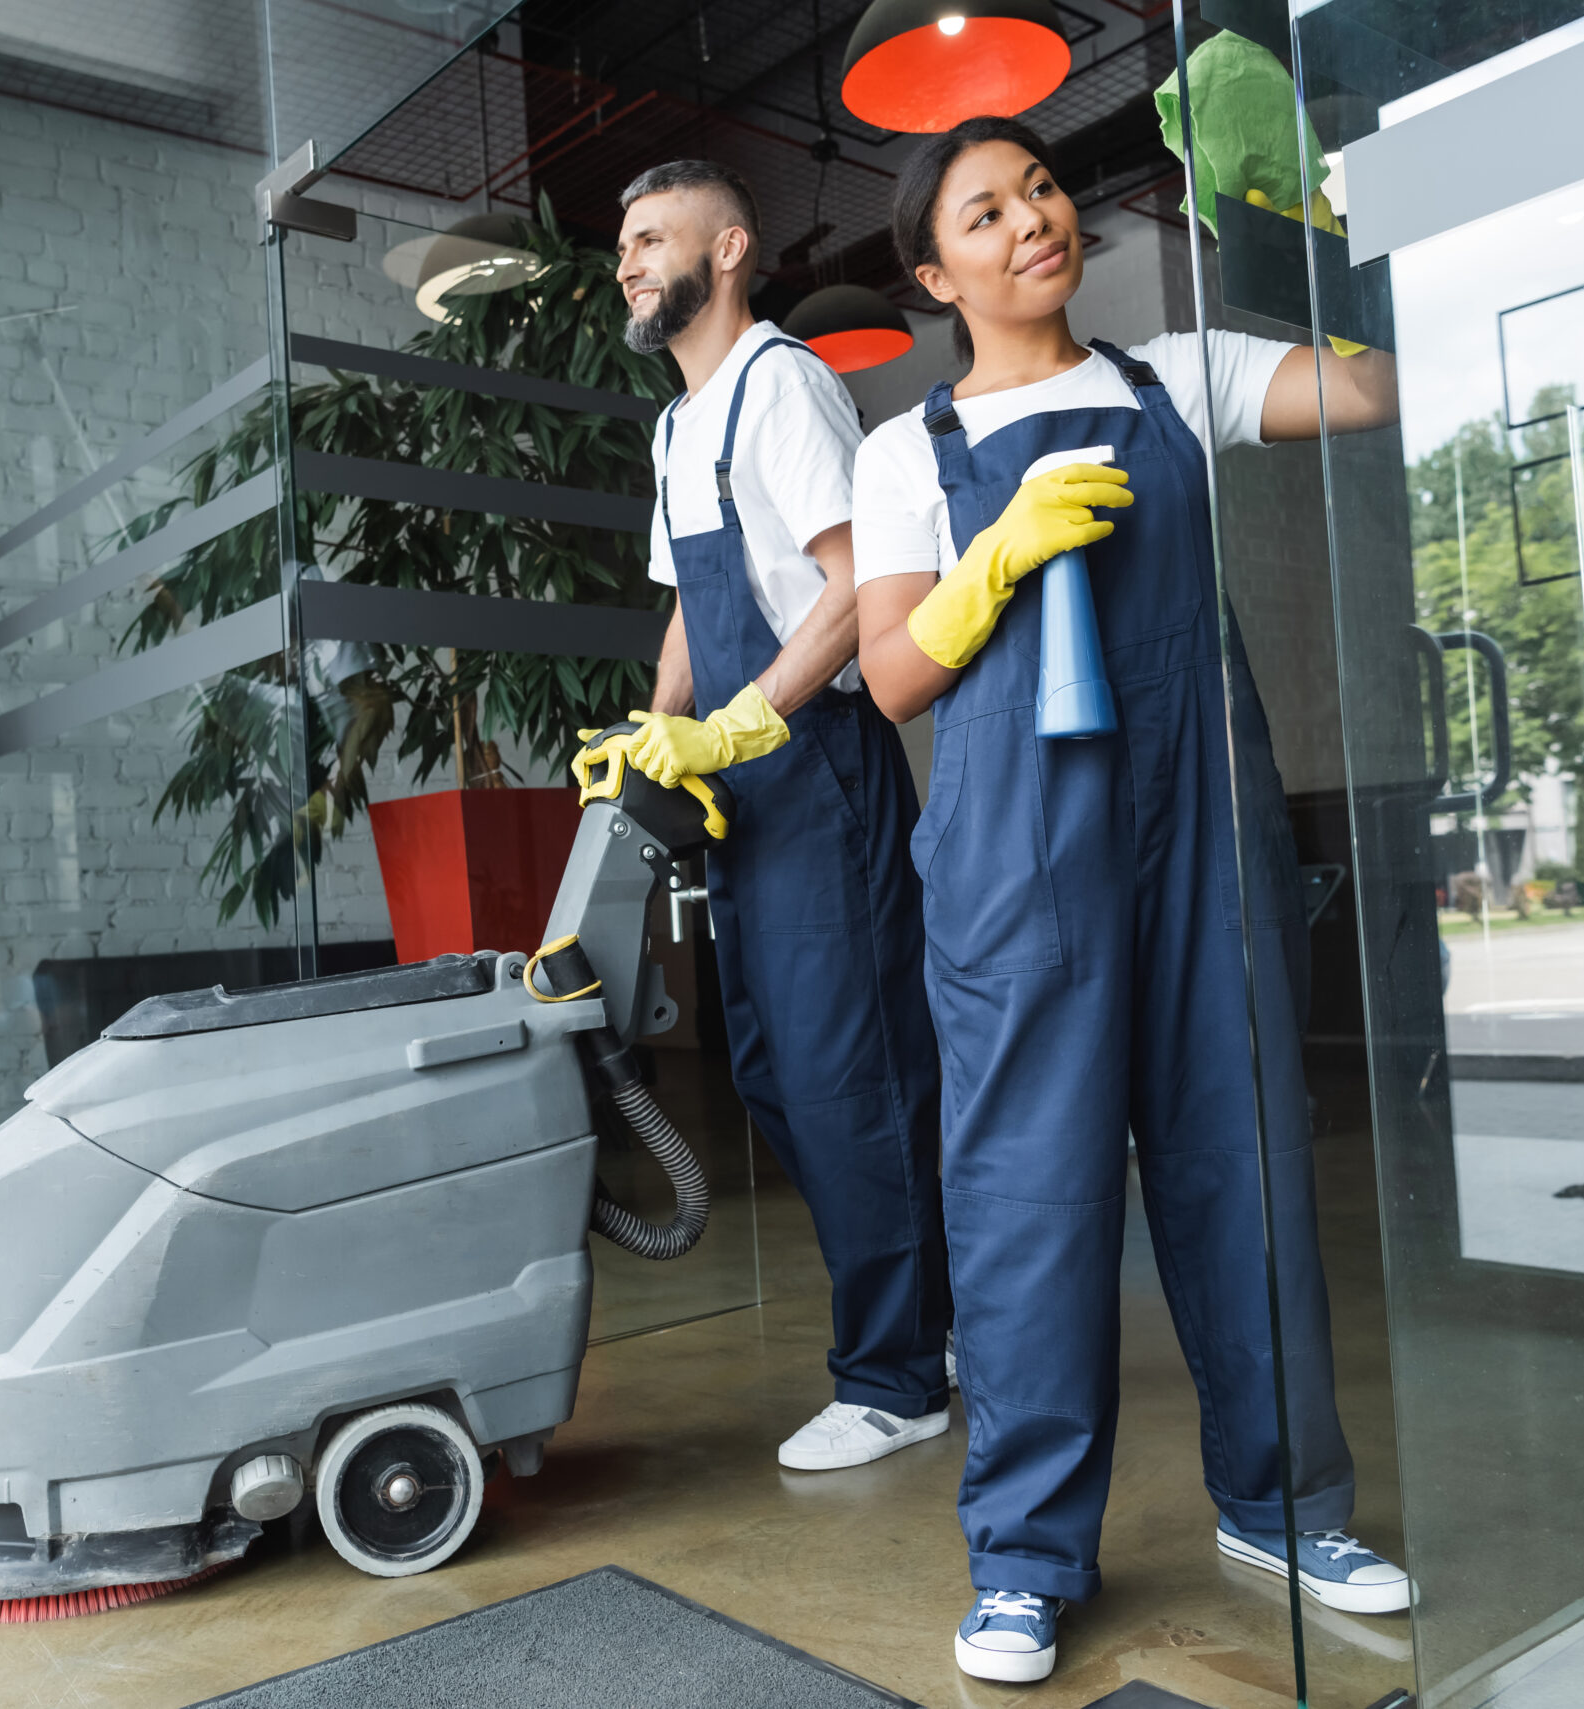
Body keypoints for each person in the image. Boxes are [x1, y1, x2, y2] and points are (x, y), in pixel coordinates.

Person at [849, 118, 1410, 1684]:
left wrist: (1299, 221)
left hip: (1202, 833)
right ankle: (1025, 1558)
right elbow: (890, 676)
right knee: (1030, 1200)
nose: (1031, 218)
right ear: (933, 273)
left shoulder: (1177, 379)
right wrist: (991, 564)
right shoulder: (906, 454)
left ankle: (1284, 1505)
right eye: (984, 211)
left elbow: (1375, 388)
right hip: (1015, 866)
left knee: (1245, 1161)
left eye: (1039, 188)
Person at [575, 160, 952, 1471]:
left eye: (651, 236)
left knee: (853, 1080)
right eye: (623, 244)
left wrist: (743, 723)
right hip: (741, 791)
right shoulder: (678, 427)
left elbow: (855, 590)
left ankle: (896, 1376)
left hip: (820, 767)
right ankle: (939, 1317)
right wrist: (654, 733)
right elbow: (695, 602)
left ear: (727, 248)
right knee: (769, 1072)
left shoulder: (780, 384)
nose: (628, 261)